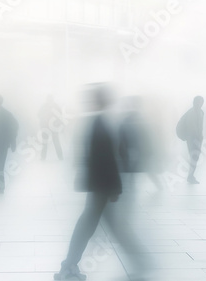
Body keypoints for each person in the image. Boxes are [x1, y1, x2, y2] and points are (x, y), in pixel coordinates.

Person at [55, 84, 148, 281]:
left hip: (99, 185)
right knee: (93, 225)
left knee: (94, 225)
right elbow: (105, 159)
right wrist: (115, 186)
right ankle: (69, 265)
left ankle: (70, 264)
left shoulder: (98, 122)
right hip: (102, 186)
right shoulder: (101, 123)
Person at [176, 96, 205, 184]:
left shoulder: (201, 112)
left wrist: (200, 136)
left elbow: (200, 126)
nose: (200, 104)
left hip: (197, 138)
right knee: (194, 157)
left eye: (201, 102)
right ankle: (190, 176)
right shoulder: (192, 113)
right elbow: (192, 127)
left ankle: (191, 176)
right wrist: (198, 136)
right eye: (199, 102)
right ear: (195, 102)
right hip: (192, 138)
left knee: (195, 157)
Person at [39, 95, 64, 161]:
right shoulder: (55, 106)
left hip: (48, 128)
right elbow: (60, 116)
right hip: (51, 128)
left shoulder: (44, 106)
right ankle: (60, 157)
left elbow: (39, 115)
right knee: (55, 142)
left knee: (46, 143)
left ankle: (43, 158)